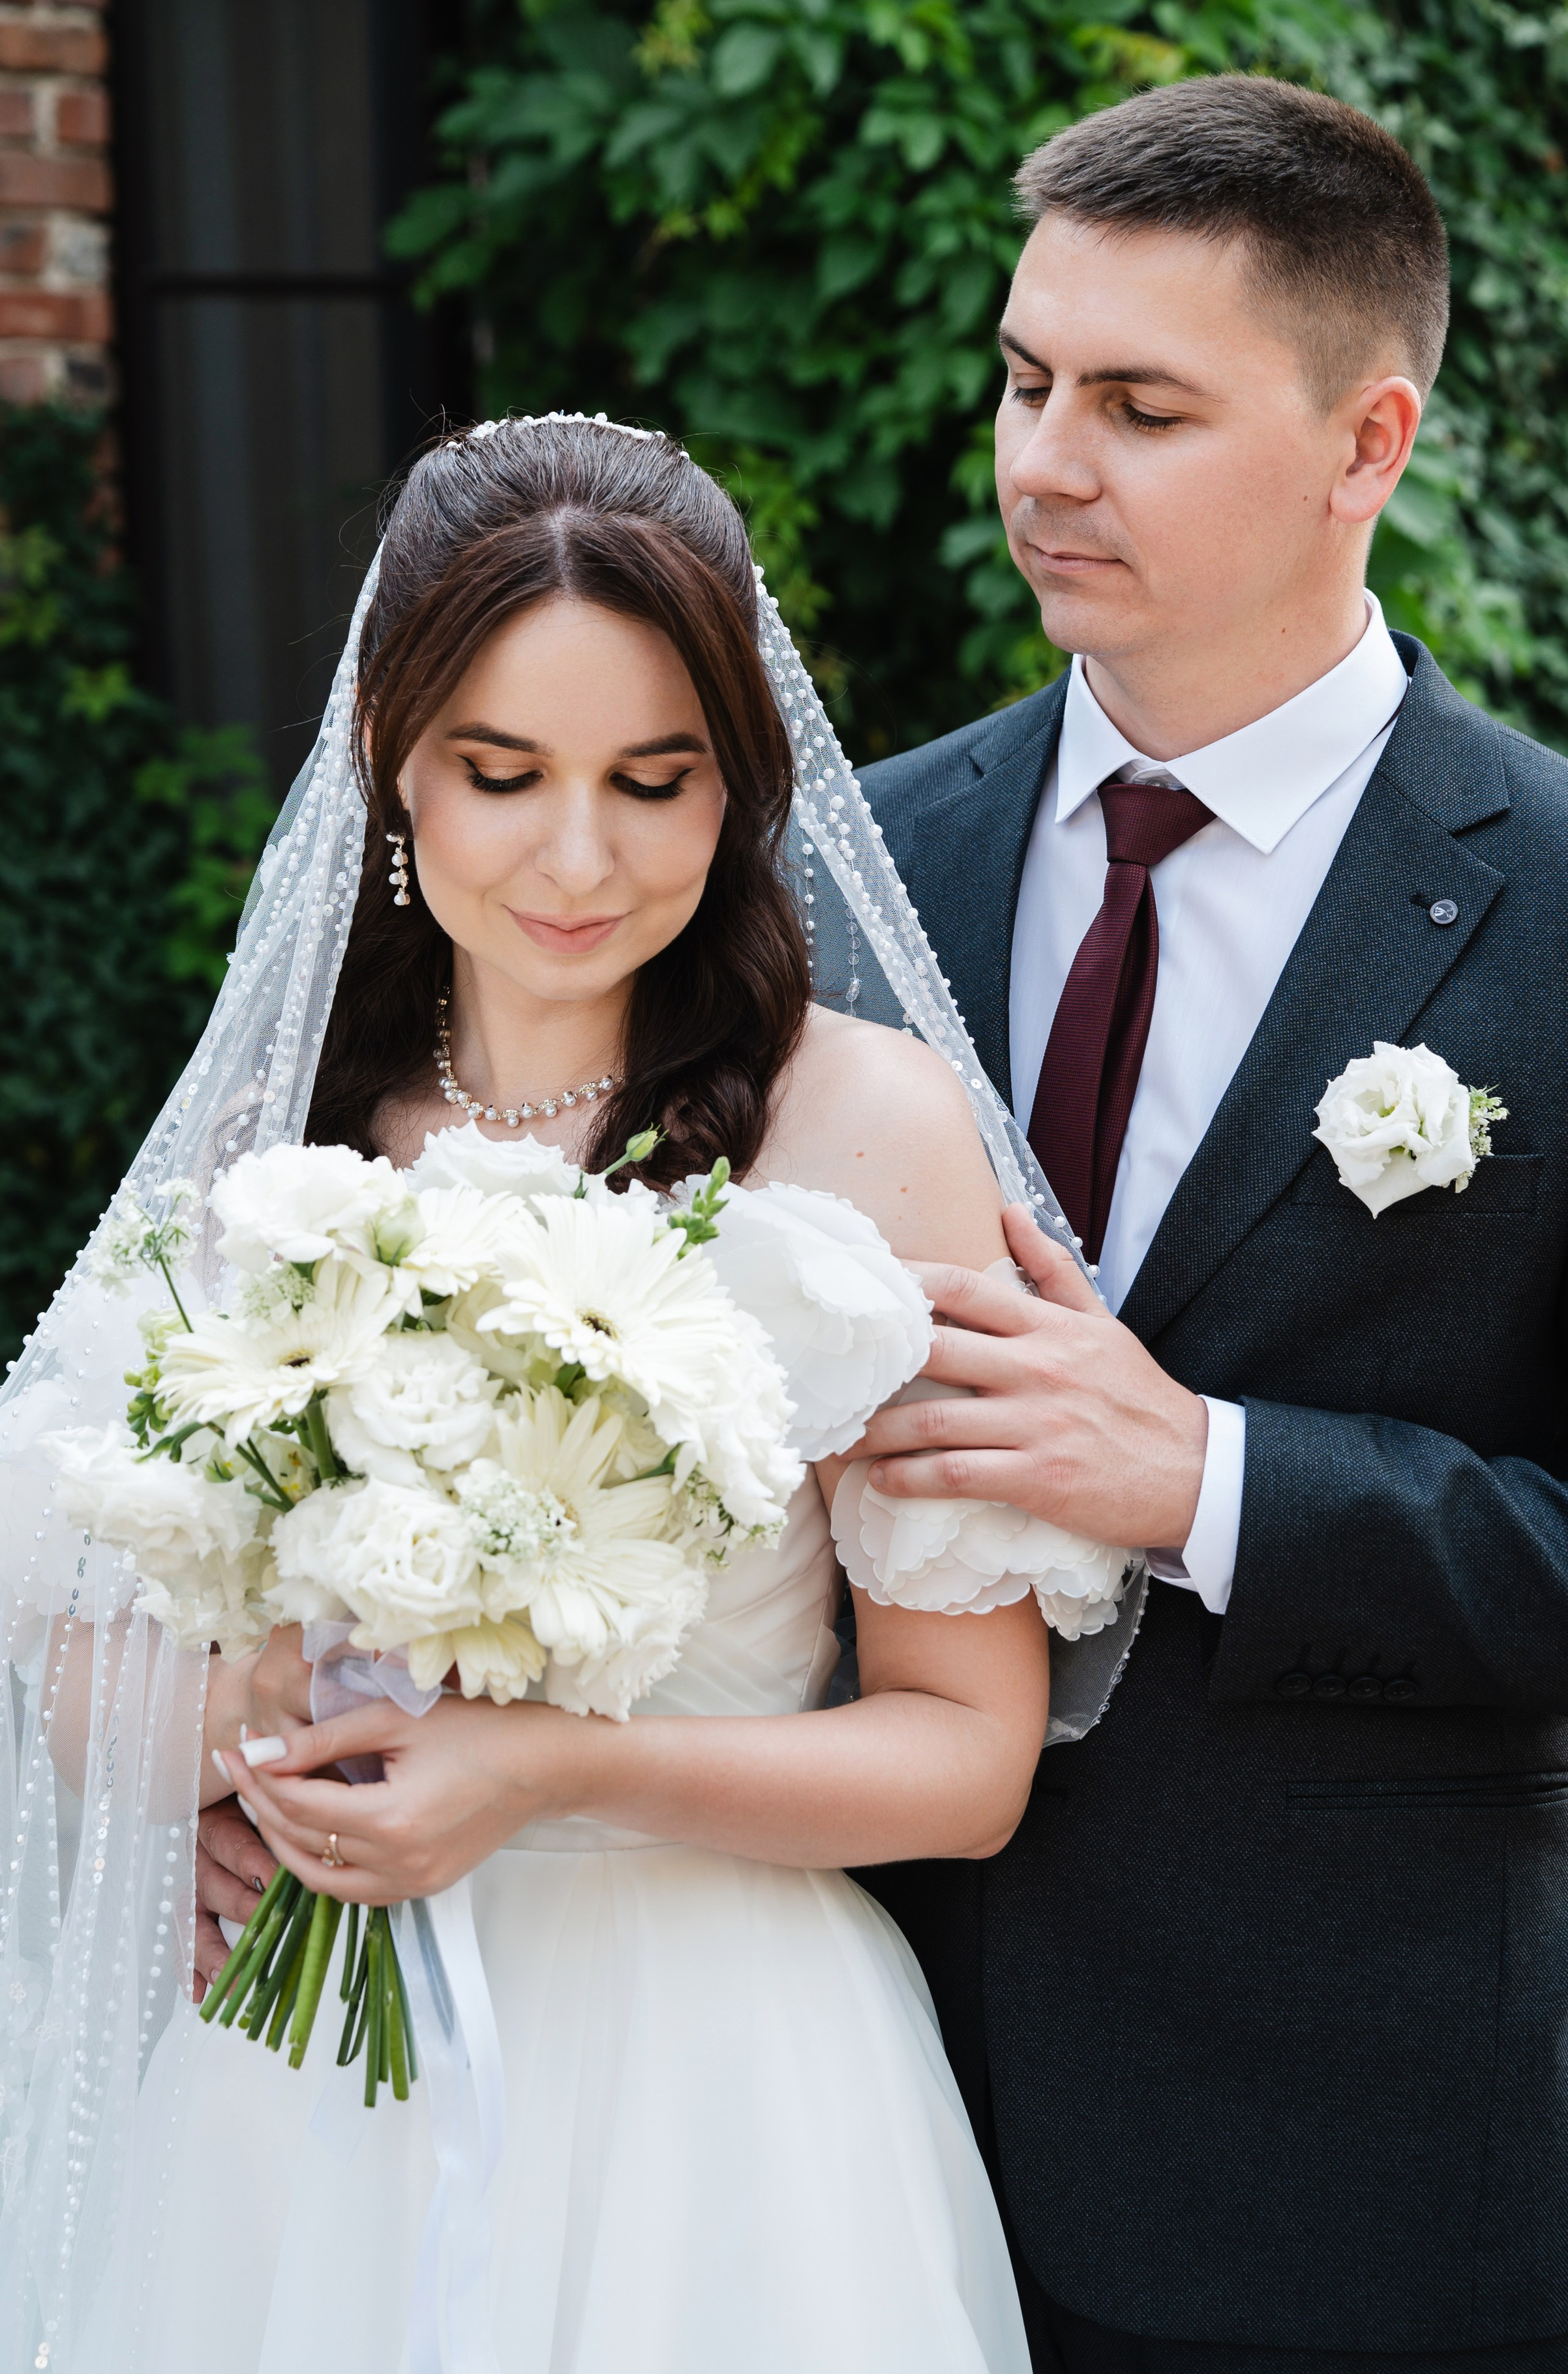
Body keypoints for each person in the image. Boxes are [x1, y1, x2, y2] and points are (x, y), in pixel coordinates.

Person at [10, 415, 1111, 2373]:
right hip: (307, 2080)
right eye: (504, 776)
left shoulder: (866, 1135)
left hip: (730, 2096)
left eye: (654, 782)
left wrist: (555, 1766)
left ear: (739, 788)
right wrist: (259, 1725)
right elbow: (73, 1647)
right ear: (392, 762)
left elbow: (966, 1758)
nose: (580, 859)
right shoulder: (279, 1148)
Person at [851, 73, 1568, 2374]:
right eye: (1025, 379)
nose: (1041, 462)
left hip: (1371, 2179)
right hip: (858, 2115)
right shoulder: (861, 866)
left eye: (1139, 404)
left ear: (1364, 441)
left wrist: (1206, 1482)